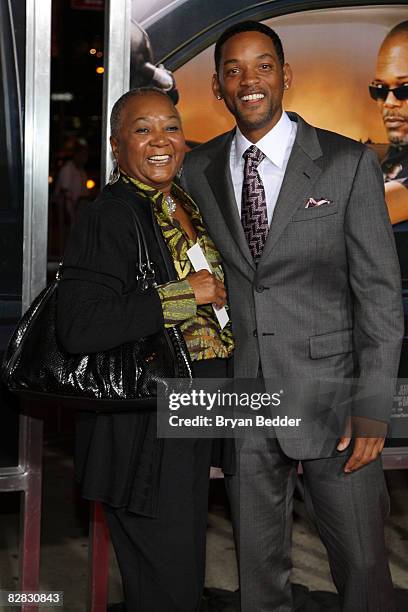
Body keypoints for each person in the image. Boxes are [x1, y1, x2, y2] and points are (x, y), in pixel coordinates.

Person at [181, 21, 404, 612]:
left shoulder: (346, 163)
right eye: (233, 70)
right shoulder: (196, 171)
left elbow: (380, 296)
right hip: (245, 401)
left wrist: (374, 410)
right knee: (258, 575)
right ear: (217, 87)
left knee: (361, 568)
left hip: (335, 405)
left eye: (262, 66)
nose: (248, 80)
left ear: (285, 76)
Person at [56, 87, 234, 612]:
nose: (161, 140)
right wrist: (188, 293)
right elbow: (81, 326)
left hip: (189, 416)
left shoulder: (181, 204)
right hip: (144, 431)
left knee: (180, 572)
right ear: (116, 147)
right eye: (142, 129)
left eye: (171, 127)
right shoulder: (111, 214)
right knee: (168, 585)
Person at [370, 20, 408, 224]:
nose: (389, 103)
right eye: (380, 90)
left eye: (404, 89)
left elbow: (363, 213)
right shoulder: (398, 152)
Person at [54, 139, 90, 227]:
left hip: (77, 217)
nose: (86, 158)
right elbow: (64, 194)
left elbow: (85, 193)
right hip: (67, 219)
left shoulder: (82, 172)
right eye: (83, 154)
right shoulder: (67, 169)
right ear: (77, 154)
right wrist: (69, 217)